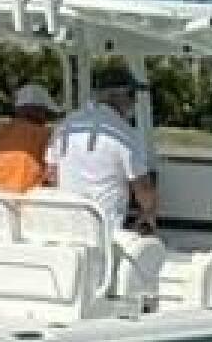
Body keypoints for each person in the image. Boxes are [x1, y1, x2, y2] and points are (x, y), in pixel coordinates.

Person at [45, 71, 159, 236]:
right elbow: (143, 188)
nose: (133, 102)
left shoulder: (65, 124)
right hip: (105, 233)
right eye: (132, 95)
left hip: (65, 229)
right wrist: (148, 215)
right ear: (117, 96)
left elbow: (52, 174)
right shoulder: (125, 133)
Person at [0, 83, 59, 193]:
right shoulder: (45, 134)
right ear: (37, 110)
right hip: (28, 199)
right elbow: (51, 174)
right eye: (45, 112)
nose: (46, 118)